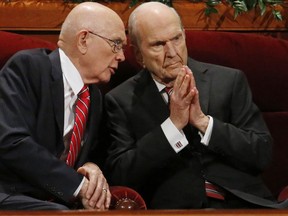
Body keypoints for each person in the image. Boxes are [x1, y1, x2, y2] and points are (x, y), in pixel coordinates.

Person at [104, 2, 288, 209]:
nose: (172, 52)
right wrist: (172, 127)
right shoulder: (120, 101)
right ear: (138, 55)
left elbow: (261, 154)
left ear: (184, 36)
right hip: (178, 209)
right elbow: (121, 174)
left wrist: (204, 122)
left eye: (176, 38)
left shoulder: (228, 81)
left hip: (244, 204)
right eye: (158, 44)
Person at [0, 2, 126, 210]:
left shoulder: (94, 97)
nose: (121, 55)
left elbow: (98, 152)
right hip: (10, 191)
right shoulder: (27, 68)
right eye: (116, 43)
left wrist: (91, 167)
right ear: (83, 40)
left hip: (55, 198)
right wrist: (76, 186)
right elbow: (11, 142)